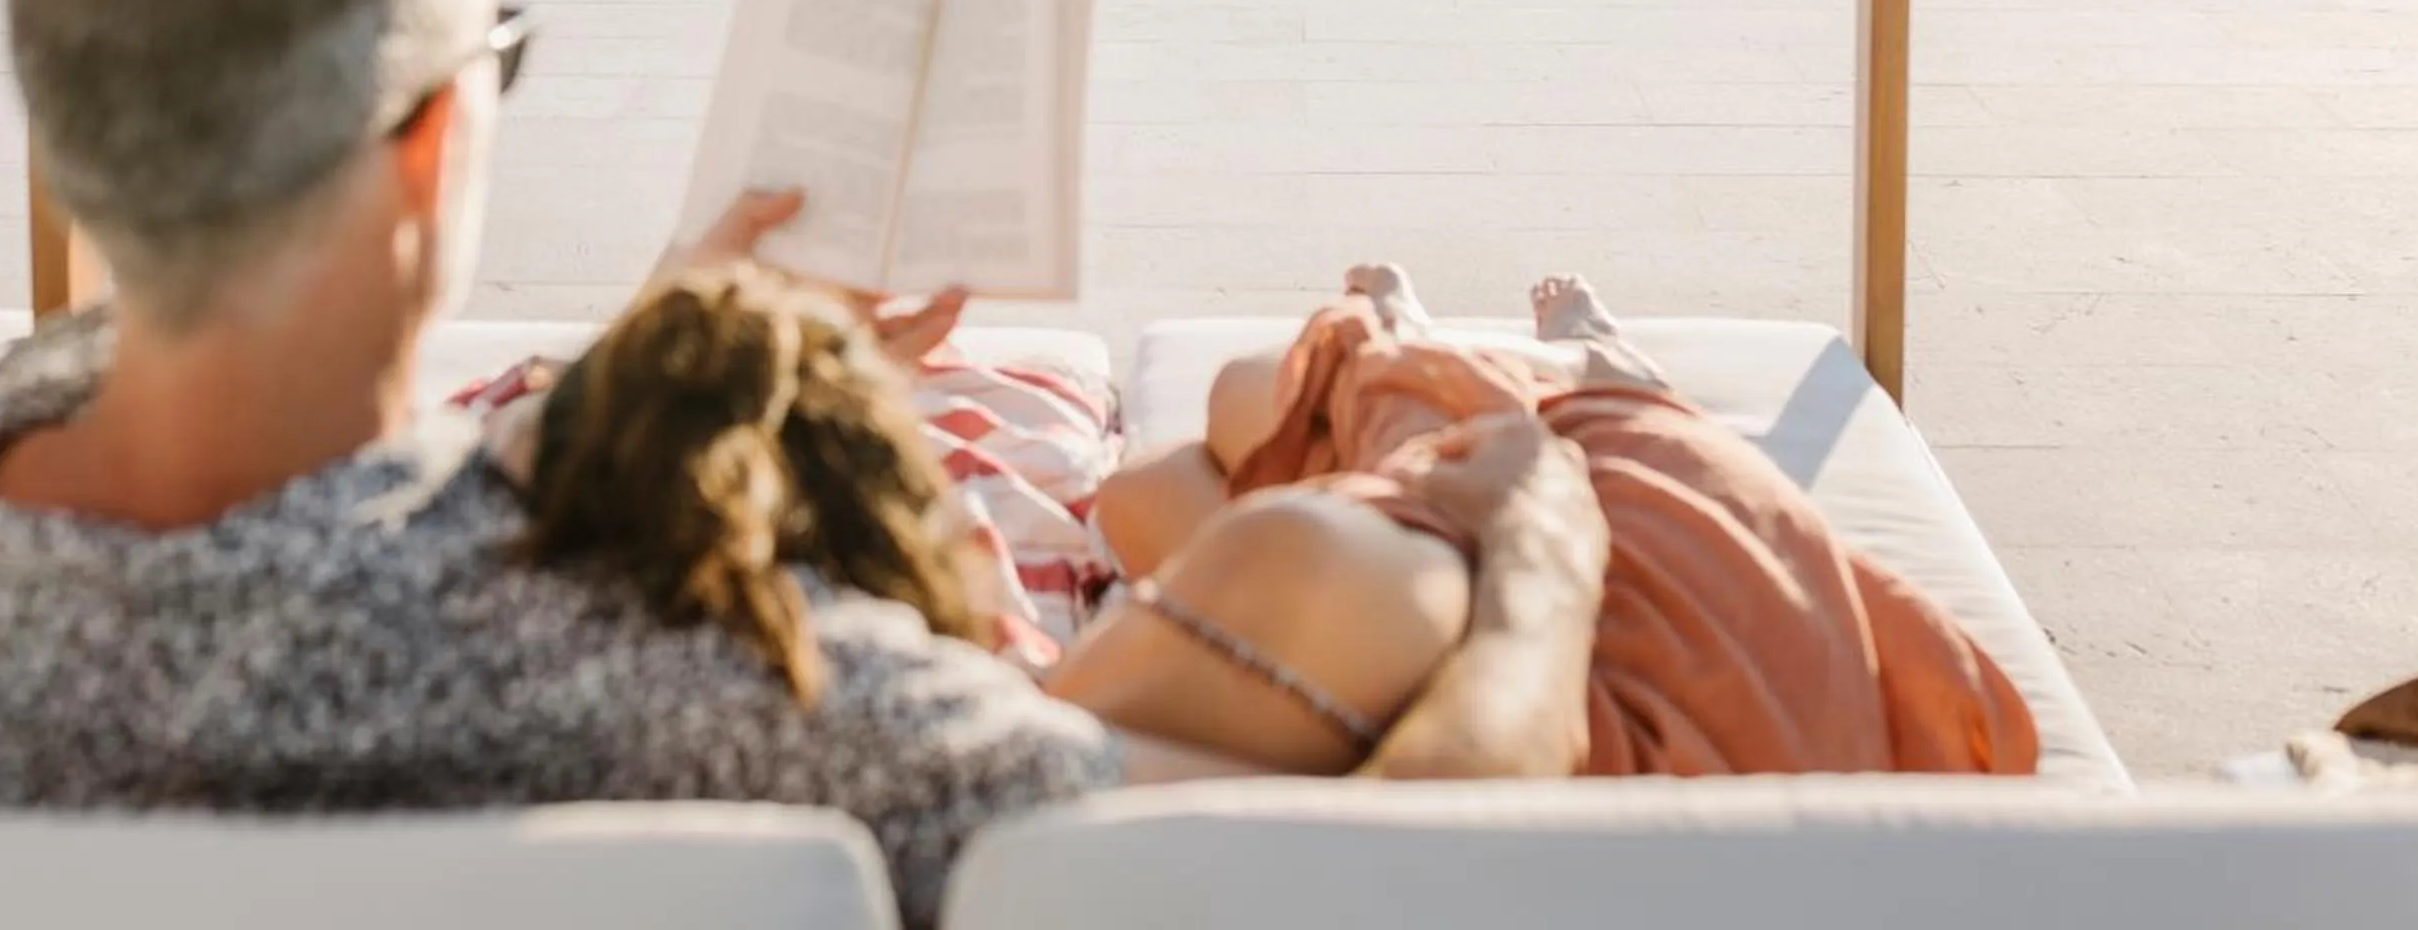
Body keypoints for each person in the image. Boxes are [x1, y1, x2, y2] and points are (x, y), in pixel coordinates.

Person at [0, 0, 1113, 930]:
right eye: (498, 52)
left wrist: (660, 338)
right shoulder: (637, 651)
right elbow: (1109, 829)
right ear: (424, 144)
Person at [492, 253, 1615, 790]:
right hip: (1500, 579)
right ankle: (1572, 373)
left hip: (1366, 576)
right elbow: (1440, 818)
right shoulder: (897, 731)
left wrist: (744, 335)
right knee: (1252, 420)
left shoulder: (397, 592)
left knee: (1175, 477)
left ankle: (1407, 347)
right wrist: (1547, 548)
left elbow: (526, 437)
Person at [1071, 264, 2044, 779]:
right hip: (1609, 563)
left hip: (1586, 588)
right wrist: (1542, 548)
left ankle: (1440, 353)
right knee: (1264, 403)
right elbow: (1465, 796)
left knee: (1173, 470)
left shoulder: (988, 747)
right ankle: (1545, 367)